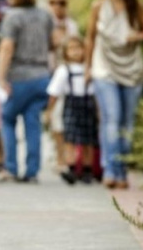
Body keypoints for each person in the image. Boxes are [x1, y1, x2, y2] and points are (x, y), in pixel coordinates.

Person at [86, 0, 143, 189]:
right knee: (112, 118)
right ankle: (110, 169)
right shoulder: (98, 6)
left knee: (126, 124)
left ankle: (122, 171)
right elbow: (90, 38)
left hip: (131, 70)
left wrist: (135, 36)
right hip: (104, 69)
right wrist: (87, 67)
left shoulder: (135, 6)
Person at [0, 0, 54, 183]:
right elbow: (53, 44)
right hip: (41, 75)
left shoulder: (12, 17)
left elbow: (6, 47)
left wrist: (1, 77)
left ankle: (10, 167)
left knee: (7, 119)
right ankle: (32, 170)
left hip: (19, 76)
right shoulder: (45, 15)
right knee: (33, 123)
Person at [47, 37, 98, 185]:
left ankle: (88, 169)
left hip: (88, 105)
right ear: (65, 53)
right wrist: (49, 110)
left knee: (88, 141)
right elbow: (54, 92)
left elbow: (96, 93)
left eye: (78, 48)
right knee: (70, 140)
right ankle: (72, 168)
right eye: (71, 49)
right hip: (71, 105)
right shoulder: (63, 71)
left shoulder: (90, 69)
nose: (75, 52)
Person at [45, 0, 80, 173]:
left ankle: (67, 156)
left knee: (67, 117)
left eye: (61, 3)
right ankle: (59, 154)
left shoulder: (71, 25)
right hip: (50, 73)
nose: (57, 7)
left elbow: (75, 47)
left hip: (69, 76)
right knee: (55, 117)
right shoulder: (45, 23)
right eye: (53, 2)